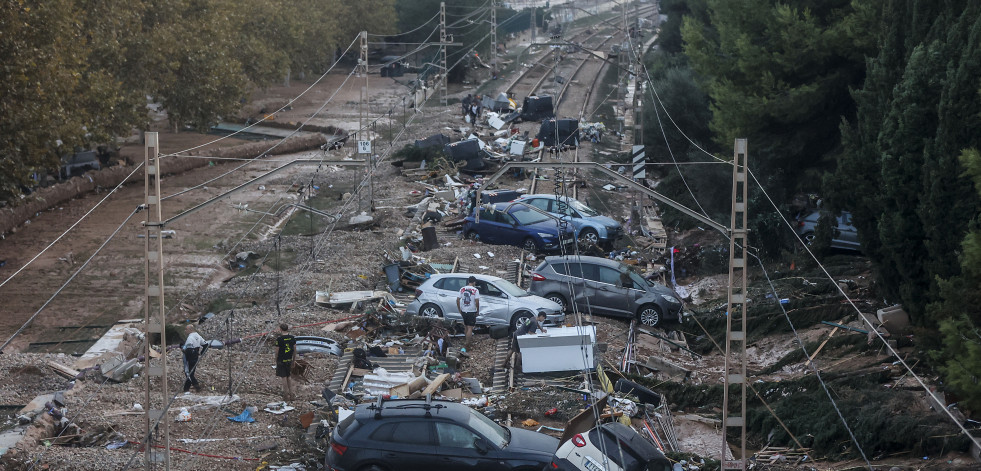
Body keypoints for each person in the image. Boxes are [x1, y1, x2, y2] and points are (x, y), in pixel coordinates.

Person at [182, 324, 207, 393]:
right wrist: (202, 353)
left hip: (189, 357)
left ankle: (196, 386)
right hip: (196, 356)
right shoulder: (198, 336)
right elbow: (206, 345)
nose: (185, 331)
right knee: (191, 373)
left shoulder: (190, 338)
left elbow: (188, 348)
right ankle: (186, 388)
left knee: (188, 373)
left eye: (186, 329)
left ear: (190, 329)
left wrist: (184, 351)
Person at [275, 323, 297, 401]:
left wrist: (276, 360)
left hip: (281, 360)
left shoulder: (279, 339)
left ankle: (286, 395)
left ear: (280, 329)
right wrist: (294, 360)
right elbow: (295, 350)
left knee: (283, 377)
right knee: (289, 376)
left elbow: (277, 351)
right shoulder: (292, 338)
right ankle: (292, 394)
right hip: (289, 359)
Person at [456, 276, 480, 345]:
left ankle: (466, 340)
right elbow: (477, 301)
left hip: (464, 310)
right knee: (470, 328)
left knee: (466, 326)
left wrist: (459, 309)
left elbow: (457, 299)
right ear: (474, 282)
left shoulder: (462, 289)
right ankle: (467, 343)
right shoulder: (475, 290)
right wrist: (477, 310)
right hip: (471, 311)